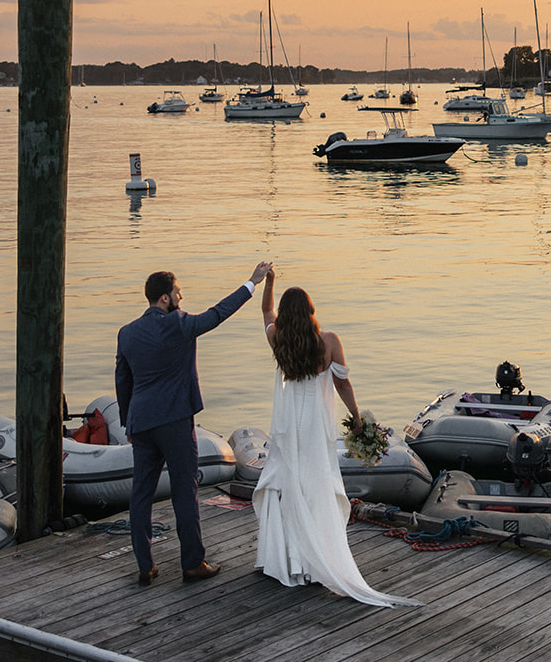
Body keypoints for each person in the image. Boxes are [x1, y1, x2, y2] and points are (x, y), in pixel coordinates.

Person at [253, 267, 419, 609]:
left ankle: (290, 560)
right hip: (315, 426)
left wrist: (268, 282)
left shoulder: (278, 339)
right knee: (316, 487)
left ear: (285, 316)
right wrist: (356, 419)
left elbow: (266, 312)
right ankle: (314, 559)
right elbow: (342, 384)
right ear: (311, 312)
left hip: (287, 426)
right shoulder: (327, 342)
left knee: (289, 487)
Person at [116, 261, 272, 587]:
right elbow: (217, 314)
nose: (181, 296)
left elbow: (123, 382)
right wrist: (251, 283)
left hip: (141, 423)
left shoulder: (127, 333)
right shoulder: (179, 323)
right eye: (177, 292)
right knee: (184, 491)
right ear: (164, 298)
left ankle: (145, 566)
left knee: (140, 494)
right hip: (174, 421)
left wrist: (128, 424)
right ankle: (192, 564)